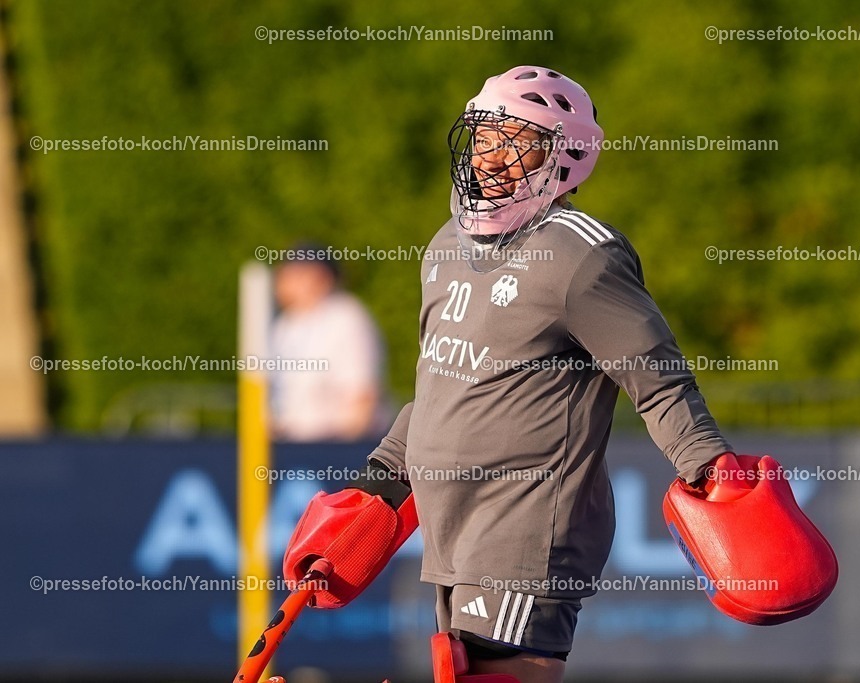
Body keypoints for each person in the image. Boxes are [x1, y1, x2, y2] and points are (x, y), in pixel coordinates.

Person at [285, 66, 735, 683]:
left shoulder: (582, 253)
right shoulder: (445, 244)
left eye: (517, 142)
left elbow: (657, 379)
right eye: (483, 137)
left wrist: (713, 469)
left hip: (525, 533)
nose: (492, 158)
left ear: (566, 156)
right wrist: (382, 481)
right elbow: (438, 387)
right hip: (451, 536)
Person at [269, 246, 388, 441]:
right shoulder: (285, 325)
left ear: (320, 277)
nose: (281, 281)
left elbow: (362, 396)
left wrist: (343, 451)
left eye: (292, 273)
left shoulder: (346, 316)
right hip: (293, 446)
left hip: (337, 447)